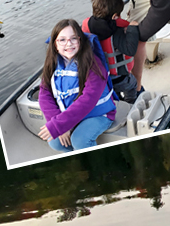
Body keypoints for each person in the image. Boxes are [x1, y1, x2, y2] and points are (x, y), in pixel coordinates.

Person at [38, 19, 116, 152]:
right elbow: (44, 94)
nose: (68, 44)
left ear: (80, 41)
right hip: (71, 115)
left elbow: (88, 99)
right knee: (55, 142)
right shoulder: (53, 63)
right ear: (55, 44)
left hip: (99, 114)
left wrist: (60, 124)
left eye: (73, 38)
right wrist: (59, 125)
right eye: (62, 40)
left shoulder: (93, 64)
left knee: (80, 140)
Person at [82, 0, 139, 103]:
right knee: (133, 85)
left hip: (101, 79)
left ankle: (117, 99)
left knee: (113, 90)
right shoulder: (116, 31)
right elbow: (130, 50)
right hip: (120, 79)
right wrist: (132, 28)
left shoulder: (87, 27)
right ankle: (131, 102)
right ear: (114, 16)